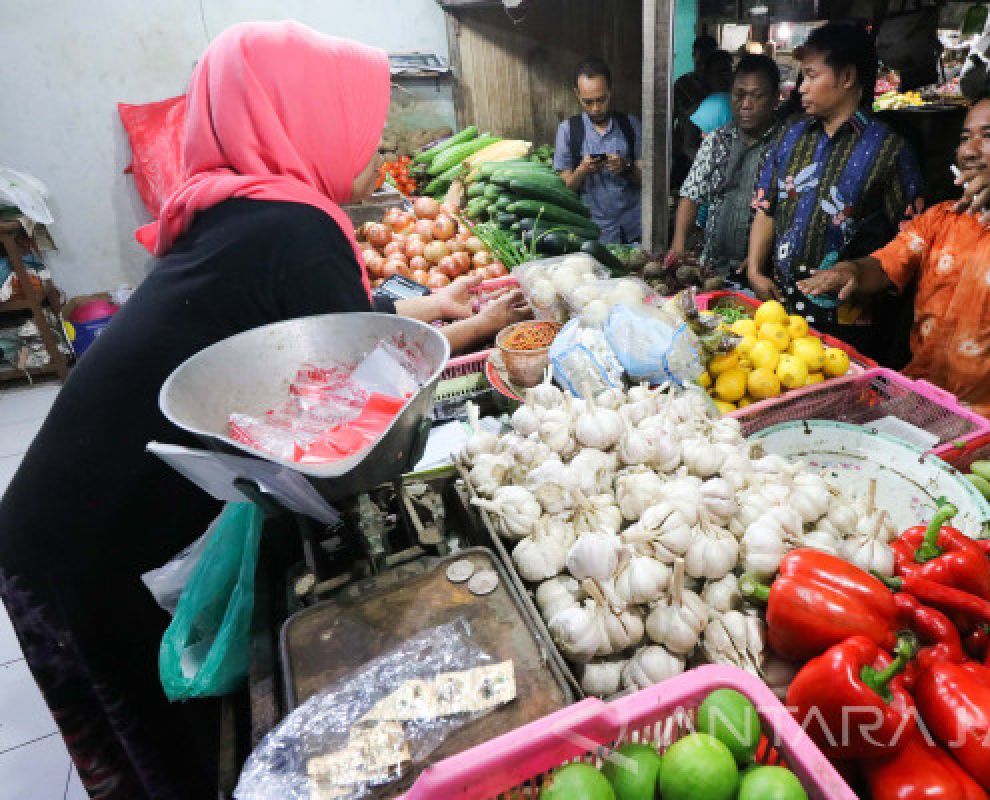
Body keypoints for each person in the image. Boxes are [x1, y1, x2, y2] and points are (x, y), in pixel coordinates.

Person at [0, 22, 527, 800]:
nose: (373, 136)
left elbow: (304, 331)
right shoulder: (300, 226)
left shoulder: (239, 204)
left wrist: (426, 309)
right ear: (307, 114)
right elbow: (358, 378)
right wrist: (466, 329)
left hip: (50, 524)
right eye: (359, 114)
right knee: (168, 753)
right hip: (92, 550)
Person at [796, 81, 990, 433]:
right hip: (919, 403)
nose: (969, 151)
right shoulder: (944, 216)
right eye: (964, 138)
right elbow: (887, 263)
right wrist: (852, 271)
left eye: (989, 135)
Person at [745, 22, 922, 360]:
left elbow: (912, 240)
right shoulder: (791, 136)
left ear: (847, 77)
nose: (801, 88)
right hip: (782, 310)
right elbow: (767, 205)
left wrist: (861, 272)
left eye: (811, 76)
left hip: (849, 322)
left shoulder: (889, 150)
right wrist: (755, 269)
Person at [670, 55, 783, 278]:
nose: (746, 104)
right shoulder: (716, 141)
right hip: (712, 270)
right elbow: (691, 195)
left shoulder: (786, 145)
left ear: (774, 99)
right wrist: (678, 246)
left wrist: (759, 260)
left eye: (756, 96)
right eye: (739, 95)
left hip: (763, 273)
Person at [554, 58, 642, 244]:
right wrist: (582, 170)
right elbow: (564, 191)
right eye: (588, 102)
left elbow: (647, 181)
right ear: (577, 95)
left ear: (610, 91)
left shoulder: (630, 125)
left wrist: (625, 167)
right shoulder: (568, 131)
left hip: (634, 228)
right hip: (591, 232)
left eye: (601, 100)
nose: (595, 108)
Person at [672, 33, 720, 187]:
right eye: (700, 63)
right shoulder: (682, 85)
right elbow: (668, 119)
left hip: (717, 156)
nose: (703, 69)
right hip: (686, 157)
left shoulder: (723, 87)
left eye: (708, 63)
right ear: (693, 56)